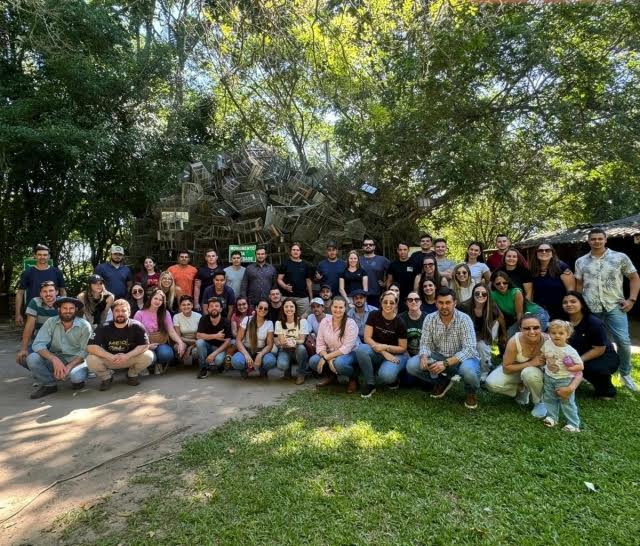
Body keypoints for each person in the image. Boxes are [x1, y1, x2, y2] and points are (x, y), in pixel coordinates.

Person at [575, 228, 640, 391]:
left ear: (605, 240)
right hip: (591, 307)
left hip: (615, 305)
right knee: (589, 343)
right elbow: (579, 285)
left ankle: (625, 374)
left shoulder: (620, 257)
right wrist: (578, 305)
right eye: (593, 239)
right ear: (588, 241)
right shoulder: (581, 261)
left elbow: (634, 277)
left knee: (623, 341)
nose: (596, 241)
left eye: (599, 239)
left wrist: (632, 299)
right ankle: (586, 374)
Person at [406, 288, 481, 409]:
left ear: (455, 303)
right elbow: (425, 343)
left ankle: (470, 392)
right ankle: (442, 381)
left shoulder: (464, 319)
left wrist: (446, 363)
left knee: (469, 372)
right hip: (439, 356)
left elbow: (470, 349)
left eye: (448, 302)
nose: (444, 306)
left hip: (463, 359)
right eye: (441, 303)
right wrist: (424, 356)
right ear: (436, 303)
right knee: (412, 365)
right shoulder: (430, 318)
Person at [485, 314, 554, 418]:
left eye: (536, 327)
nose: (532, 331)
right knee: (491, 384)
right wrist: (530, 363)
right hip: (514, 370)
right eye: (527, 328)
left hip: (538, 373)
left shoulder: (549, 340)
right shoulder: (514, 342)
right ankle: (522, 389)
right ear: (520, 329)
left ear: (541, 327)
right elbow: (506, 368)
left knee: (529, 373)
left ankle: (540, 402)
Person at [26, 297, 92, 399]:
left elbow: (85, 351)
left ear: (76, 310)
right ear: (59, 310)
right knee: (32, 358)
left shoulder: (84, 325)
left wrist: (69, 366)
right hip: (57, 356)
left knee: (76, 377)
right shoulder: (51, 322)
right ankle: (49, 385)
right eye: (65, 308)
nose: (68, 311)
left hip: (77, 360)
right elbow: (38, 344)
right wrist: (54, 359)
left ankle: (76, 379)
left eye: (71, 308)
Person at [86, 299, 154, 390]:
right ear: (113, 313)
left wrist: (127, 356)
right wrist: (110, 356)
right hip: (110, 359)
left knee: (149, 355)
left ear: (129, 312)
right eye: (117, 311)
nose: (120, 313)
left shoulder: (137, 326)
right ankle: (106, 378)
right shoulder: (103, 327)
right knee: (91, 359)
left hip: (129, 358)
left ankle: (132, 374)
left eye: (123, 310)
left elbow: (145, 345)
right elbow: (91, 347)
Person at [562, 291, 619, 400]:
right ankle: (574, 381)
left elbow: (599, 349)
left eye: (573, 301)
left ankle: (606, 389)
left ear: (582, 304)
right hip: (576, 354)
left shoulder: (594, 323)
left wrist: (578, 361)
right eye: (565, 302)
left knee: (592, 369)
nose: (568, 304)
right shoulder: (562, 321)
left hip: (602, 356)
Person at [356, 290, 408, 397]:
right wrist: (384, 352)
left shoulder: (400, 322)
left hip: (396, 354)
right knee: (361, 349)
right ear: (381, 302)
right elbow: (367, 338)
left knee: (386, 376)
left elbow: (403, 348)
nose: (388, 305)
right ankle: (370, 383)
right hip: (378, 350)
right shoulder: (374, 315)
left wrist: (385, 347)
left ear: (396, 304)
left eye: (391, 303)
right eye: (385, 302)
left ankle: (393, 380)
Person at [309, 296, 360, 393]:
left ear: (345, 309)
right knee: (313, 361)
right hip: (330, 353)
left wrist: (325, 358)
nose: (338, 310)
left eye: (341, 307)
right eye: (335, 307)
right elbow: (320, 344)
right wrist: (328, 359)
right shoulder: (325, 321)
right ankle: (332, 377)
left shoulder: (350, 323)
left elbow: (346, 348)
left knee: (339, 363)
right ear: (331, 307)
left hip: (350, 353)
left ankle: (353, 378)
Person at [541, 320, 584, 432]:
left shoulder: (570, 351)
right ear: (549, 333)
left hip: (565, 379)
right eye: (553, 333)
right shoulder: (547, 344)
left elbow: (580, 366)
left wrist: (571, 368)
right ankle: (552, 418)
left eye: (561, 333)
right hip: (549, 376)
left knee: (566, 401)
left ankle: (574, 424)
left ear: (567, 335)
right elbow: (543, 355)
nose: (557, 335)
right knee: (549, 398)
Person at [458, 284, 507, 381]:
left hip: (483, 335)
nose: (480, 295)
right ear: (473, 294)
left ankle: (485, 372)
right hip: (464, 336)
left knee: (482, 346)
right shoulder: (463, 307)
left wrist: (503, 336)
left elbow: (499, 321)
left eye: (484, 294)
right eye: (477, 293)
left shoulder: (492, 308)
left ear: (488, 295)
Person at [134, 290, 186, 374]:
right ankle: (143, 366)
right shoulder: (139, 313)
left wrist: (180, 342)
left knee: (167, 354)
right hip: (144, 345)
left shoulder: (165, 313)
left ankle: (158, 364)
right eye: (156, 298)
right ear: (151, 298)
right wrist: (147, 346)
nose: (158, 301)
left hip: (160, 343)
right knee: (152, 357)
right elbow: (135, 335)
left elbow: (171, 331)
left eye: (160, 300)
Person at [15, 244, 66, 326]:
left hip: (53, 310)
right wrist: (17, 314)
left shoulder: (57, 272)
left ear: (49, 256)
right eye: (39, 254)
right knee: (33, 336)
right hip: (33, 310)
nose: (42, 257)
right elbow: (20, 293)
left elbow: (63, 291)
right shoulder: (27, 272)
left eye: (45, 255)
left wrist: (64, 309)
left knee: (55, 336)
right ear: (35, 256)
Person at [16, 281, 60, 367]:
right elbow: (29, 327)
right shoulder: (35, 302)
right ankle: (45, 374)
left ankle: (54, 370)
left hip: (59, 342)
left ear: (56, 292)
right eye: (44, 291)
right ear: (40, 293)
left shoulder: (63, 302)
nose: (48, 294)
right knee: (23, 358)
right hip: (40, 341)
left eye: (51, 291)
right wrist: (23, 349)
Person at [491, 271, 549, 337]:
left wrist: (522, 332)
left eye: (505, 283)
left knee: (529, 336)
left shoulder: (516, 292)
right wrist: (505, 335)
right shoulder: (492, 295)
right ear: (493, 284)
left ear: (508, 282)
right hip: (523, 319)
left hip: (536, 314)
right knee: (509, 336)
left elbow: (519, 314)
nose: (502, 285)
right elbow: (500, 316)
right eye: (498, 283)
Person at [231, 299, 277, 378]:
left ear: (268, 311)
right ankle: (244, 369)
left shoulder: (269, 323)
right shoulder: (247, 319)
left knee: (271, 361)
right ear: (256, 308)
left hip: (260, 350)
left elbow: (270, 345)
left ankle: (263, 369)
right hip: (246, 349)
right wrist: (246, 355)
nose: (262, 310)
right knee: (236, 361)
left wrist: (260, 355)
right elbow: (238, 340)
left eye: (265, 309)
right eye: (260, 307)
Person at [530, 243, 575, 320]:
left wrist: (569, 308)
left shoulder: (562, 267)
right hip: (541, 312)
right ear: (536, 254)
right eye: (540, 250)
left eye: (547, 250)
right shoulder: (533, 269)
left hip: (560, 311)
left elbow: (571, 290)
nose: (544, 252)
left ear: (552, 253)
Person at [274, 298, 310, 384]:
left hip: (297, 348)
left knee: (301, 348)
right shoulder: (279, 323)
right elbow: (282, 342)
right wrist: (287, 342)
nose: (289, 309)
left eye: (291, 306)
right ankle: (287, 373)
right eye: (286, 306)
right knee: (281, 365)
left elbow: (302, 340)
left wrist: (293, 342)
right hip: (285, 349)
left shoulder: (302, 321)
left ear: (295, 308)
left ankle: (301, 374)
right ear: (283, 308)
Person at [195, 298, 232, 378]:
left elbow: (228, 341)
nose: (214, 308)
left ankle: (219, 365)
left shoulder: (226, 322)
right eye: (211, 306)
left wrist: (214, 354)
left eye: (216, 306)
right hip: (207, 347)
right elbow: (198, 336)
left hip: (220, 348)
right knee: (199, 342)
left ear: (221, 309)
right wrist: (216, 336)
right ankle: (203, 368)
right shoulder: (204, 319)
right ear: (208, 309)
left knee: (218, 361)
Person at [277, 242, 314, 317]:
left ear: (300, 252)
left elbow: (308, 282)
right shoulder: (285, 264)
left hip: (302, 298)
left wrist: (311, 298)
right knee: (286, 318)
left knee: (303, 320)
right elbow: (279, 279)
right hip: (287, 297)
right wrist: (285, 286)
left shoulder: (306, 265)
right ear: (290, 251)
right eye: (293, 250)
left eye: (297, 250)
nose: (295, 251)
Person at [400, 291, 427, 375]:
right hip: (405, 354)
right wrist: (407, 356)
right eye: (410, 300)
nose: (413, 302)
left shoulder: (428, 318)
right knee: (408, 381)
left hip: (423, 354)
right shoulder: (400, 318)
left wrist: (423, 356)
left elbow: (430, 343)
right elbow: (398, 341)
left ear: (421, 302)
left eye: (416, 299)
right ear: (406, 303)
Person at [386, 242, 417, 312]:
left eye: (405, 249)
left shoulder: (414, 263)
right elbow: (389, 280)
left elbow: (417, 280)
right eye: (400, 250)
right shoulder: (393, 264)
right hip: (396, 296)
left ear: (408, 250)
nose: (402, 252)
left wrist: (416, 294)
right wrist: (388, 294)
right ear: (397, 250)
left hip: (410, 296)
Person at [360, 237, 390, 308]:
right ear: (362, 247)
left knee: (375, 315)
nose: (368, 246)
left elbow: (393, 271)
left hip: (377, 293)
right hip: (360, 294)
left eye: (370, 244)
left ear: (374, 247)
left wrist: (385, 283)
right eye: (366, 245)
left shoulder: (382, 260)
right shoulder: (358, 259)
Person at [173, 295, 202, 365]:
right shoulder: (176, 317)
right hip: (184, 341)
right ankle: (183, 358)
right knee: (177, 347)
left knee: (196, 351)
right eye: (183, 305)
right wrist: (185, 344)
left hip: (197, 342)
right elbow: (178, 337)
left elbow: (200, 337)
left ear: (192, 305)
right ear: (180, 306)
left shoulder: (199, 316)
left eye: (188, 304)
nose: (186, 307)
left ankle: (195, 360)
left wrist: (190, 348)